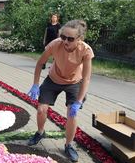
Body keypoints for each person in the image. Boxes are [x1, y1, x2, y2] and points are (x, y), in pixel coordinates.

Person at [27, 20, 94, 162]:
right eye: (63, 37)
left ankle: (69, 145)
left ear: (79, 39)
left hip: (74, 82)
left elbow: (86, 78)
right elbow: (40, 63)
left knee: (72, 113)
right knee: (41, 109)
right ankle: (40, 132)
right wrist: (35, 84)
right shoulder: (55, 44)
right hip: (53, 79)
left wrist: (79, 100)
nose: (65, 41)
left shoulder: (86, 50)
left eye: (70, 39)